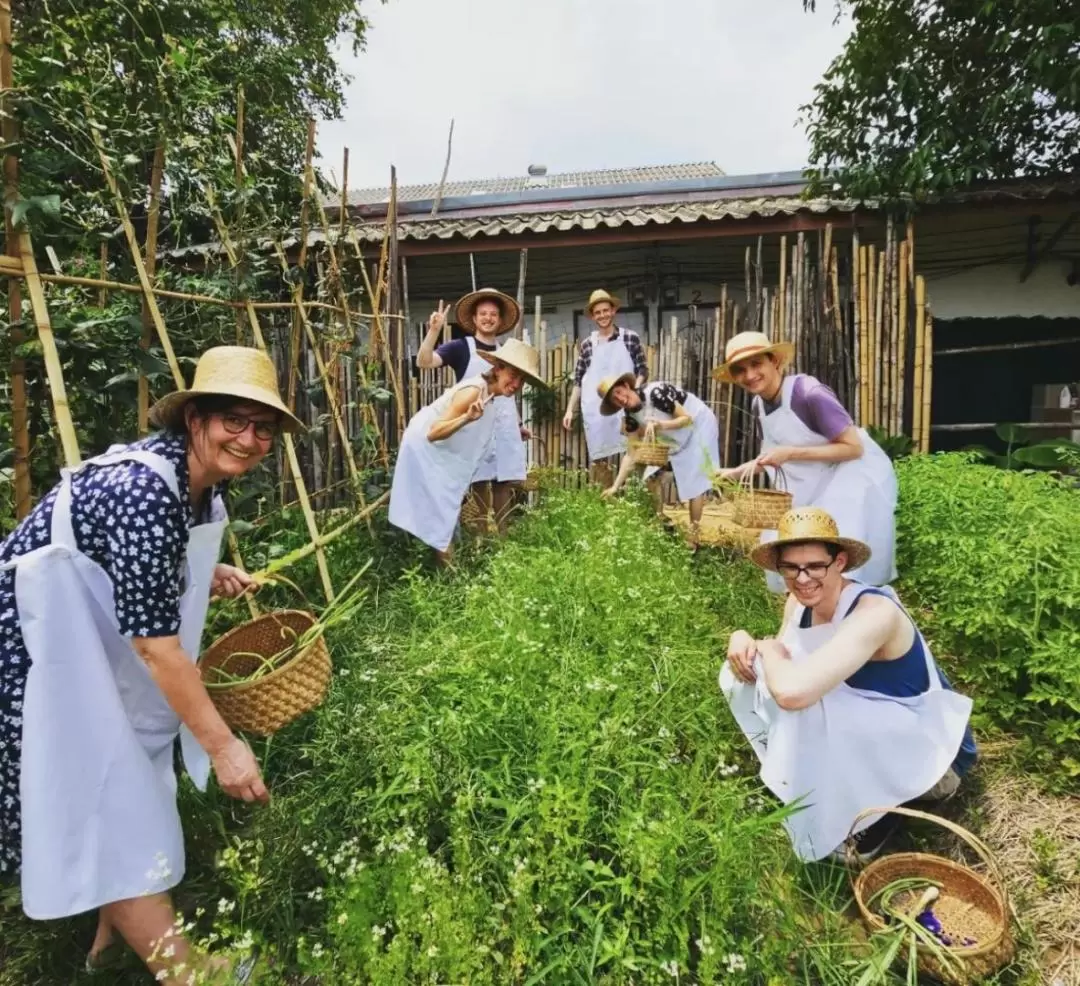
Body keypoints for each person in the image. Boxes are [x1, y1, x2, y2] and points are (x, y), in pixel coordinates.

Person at [0, 346, 302, 984]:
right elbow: (157, 648)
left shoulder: (199, 487)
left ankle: (113, 941)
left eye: (263, 428)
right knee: (105, 790)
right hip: (33, 651)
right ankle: (190, 974)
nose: (248, 440)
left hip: (82, 644)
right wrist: (222, 746)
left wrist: (205, 570)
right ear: (194, 419)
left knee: (123, 775)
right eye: (233, 421)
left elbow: (132, 562)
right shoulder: (144, 490)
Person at [719, 507, 977, 863]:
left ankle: (882, 810)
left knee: (798, 696)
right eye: (791, 568)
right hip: (869, 726)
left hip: (931, 757)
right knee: (743, 671)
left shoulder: (874, 612)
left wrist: (765, 647)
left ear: (839, 562)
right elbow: (783, 659)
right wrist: (743, 638)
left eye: (815, 566)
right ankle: (808, 780)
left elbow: (792, 691)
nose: (803, 578)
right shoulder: (797, 602)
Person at [713, 331, 898, 593]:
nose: (750, 375)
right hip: (813, 474)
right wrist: (737, 472)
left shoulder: (809, 394)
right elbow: (773, 452)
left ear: (774, 361)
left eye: (756, 364)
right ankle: (808, 607)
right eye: (740, 370)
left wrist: (790, 454)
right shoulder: (759, 404)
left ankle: (851, 603)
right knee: (791, 545)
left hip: (851, 470)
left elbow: (853, 448)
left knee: (833, 544)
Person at [390, 337, 547, 564]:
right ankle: (448, 575)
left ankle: (447, 569)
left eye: (522, 380)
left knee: (445, 507)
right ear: (498, 369)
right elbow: (433, 432)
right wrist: (466, 418)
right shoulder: (474, 391)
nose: (516, 384)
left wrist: (516, 429)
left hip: (443, 450)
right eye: (513, 376)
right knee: (441, 509)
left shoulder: (493, 395)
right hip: (424, 449)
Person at [417, 287, 531, 535]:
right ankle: (481, 539)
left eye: (493, 314)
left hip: (503, 425)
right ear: (475, 318)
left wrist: (517, 424)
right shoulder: (461, 347)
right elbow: (424, 362)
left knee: (503, 483)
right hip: (474, 422)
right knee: (479, 482)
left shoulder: (507, 351)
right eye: (483, 313)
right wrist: (433, 332)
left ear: (500, 320)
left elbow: (509, 393)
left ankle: (502, 539)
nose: (488, 318)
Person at [596, 374, 720, 549]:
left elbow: (687, 419)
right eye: (614, 399)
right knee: (650, 477)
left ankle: (694, 536)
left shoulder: (656, 393)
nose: (620, 399)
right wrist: (616, 486)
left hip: (699, 424)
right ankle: (660, 522)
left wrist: (660, 425)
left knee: (694, 482)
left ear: (626, 385)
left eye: (618, 392)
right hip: (674, 437)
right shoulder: (630, 417)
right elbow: (632, 452)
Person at [562, 290, 648, 484]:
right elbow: (578, 380)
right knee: (601, 456)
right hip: (597, 408)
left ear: (613, 311)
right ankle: (607, 497)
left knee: (634, 449)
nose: (602, 315)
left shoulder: (630, 338)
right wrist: (569, 410)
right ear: (592, 316)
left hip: (626, 405)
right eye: (598, 312)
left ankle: (636, 499)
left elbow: (643, 370)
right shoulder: (587, 345)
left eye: (606, 310)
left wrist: (634, 391)